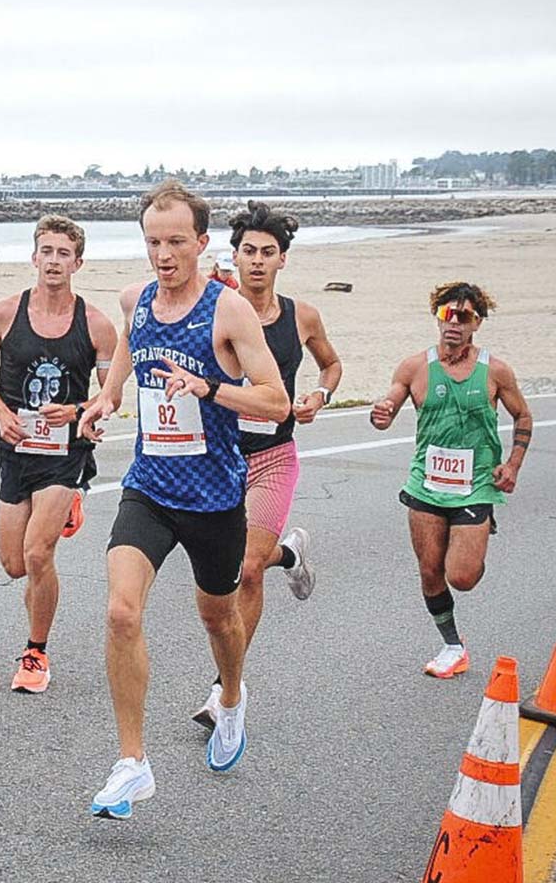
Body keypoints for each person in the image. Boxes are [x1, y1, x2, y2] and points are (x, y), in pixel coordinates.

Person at [79, 181, 288, 818]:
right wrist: (108, 397)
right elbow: (128, 354)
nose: (163, 255)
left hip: (214, 497)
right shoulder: (136, 299)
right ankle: (132, 763)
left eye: (175, 242)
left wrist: (208, 388)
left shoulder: (229, 312)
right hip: (149, 487)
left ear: (201, 242)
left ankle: (231, 698)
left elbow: (274, 400)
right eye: (152, 242)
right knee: (121, 612)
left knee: (218, 619)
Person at [192, 201, 343, 725]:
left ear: (283, 260)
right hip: (220, 459)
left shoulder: (302, 316)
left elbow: (331, 363)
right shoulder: (213, 308)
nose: (257, 261)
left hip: (274, 458)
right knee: (230, 570)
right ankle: (291, 555)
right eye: (248, 251)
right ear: (233, 257)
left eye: (268, 253)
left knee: (246, 569)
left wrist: (320, 397)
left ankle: (223, 688)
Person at [0, 215, 117, 693]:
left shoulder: (95, 324)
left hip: (65, 451)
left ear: (78, 262)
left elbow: (109, 395)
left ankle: (35, 653)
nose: (54, 261)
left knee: (38, 552)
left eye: (63, 253)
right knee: (15, 564)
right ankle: (62, 515)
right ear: (34, 257)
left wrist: (78, 410)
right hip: (15, 446)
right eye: (46, 251)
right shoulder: (4, 313)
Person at [370, 282, 531, 678]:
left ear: (477, 322)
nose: (453, 324)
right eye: (447, 314)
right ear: (437, 317)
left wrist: (512, 465)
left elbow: (523, 418)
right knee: (429, 570)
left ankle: (476, 536)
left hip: (475, 484)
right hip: (426, 483)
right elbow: (391, 401)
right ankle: (452, 646)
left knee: (462, 576)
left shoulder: (495, 370)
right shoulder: (414, 367)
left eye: (463, 317)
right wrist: (384, 412)